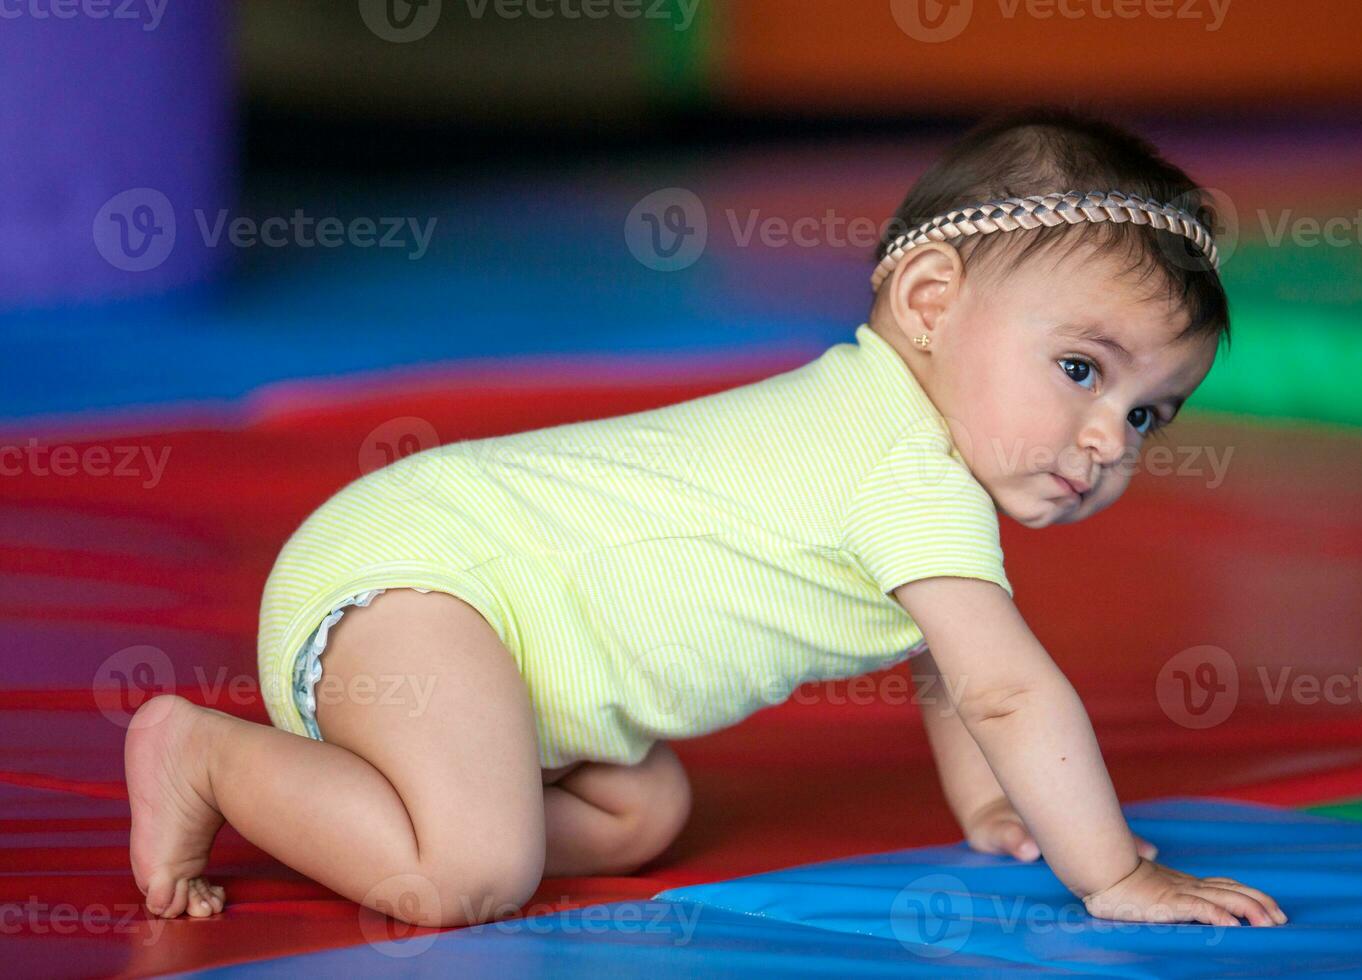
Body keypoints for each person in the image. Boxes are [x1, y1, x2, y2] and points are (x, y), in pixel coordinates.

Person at [124, 104, 1287, 931]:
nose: (1107, 439)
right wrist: (1115, 871)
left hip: (478, 621)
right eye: (1084, 371)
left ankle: (409, 788)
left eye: (1149, 416)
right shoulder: (901, 461)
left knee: (642, 809)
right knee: (468, 873)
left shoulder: (903, 450)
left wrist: (989, 798)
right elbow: (1004, 685)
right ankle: (209, 753)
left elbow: (947, 661)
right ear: (930, 300)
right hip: (423, 580)